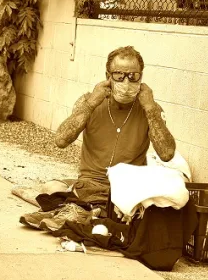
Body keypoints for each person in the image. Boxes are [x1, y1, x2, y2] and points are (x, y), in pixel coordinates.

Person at [40, 45, 177, 204]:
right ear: (108, 76)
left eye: (133, 76)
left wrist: (150, 108)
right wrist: (91, 103)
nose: (126, 82)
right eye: (119, 75)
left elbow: (167, 154)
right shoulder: (88, 101)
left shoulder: (151, 108)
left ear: (141, 77)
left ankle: (87, 210)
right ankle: (94, 208)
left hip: (129, 188)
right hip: (90, 185)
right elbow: (61, 140)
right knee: (51, 188)